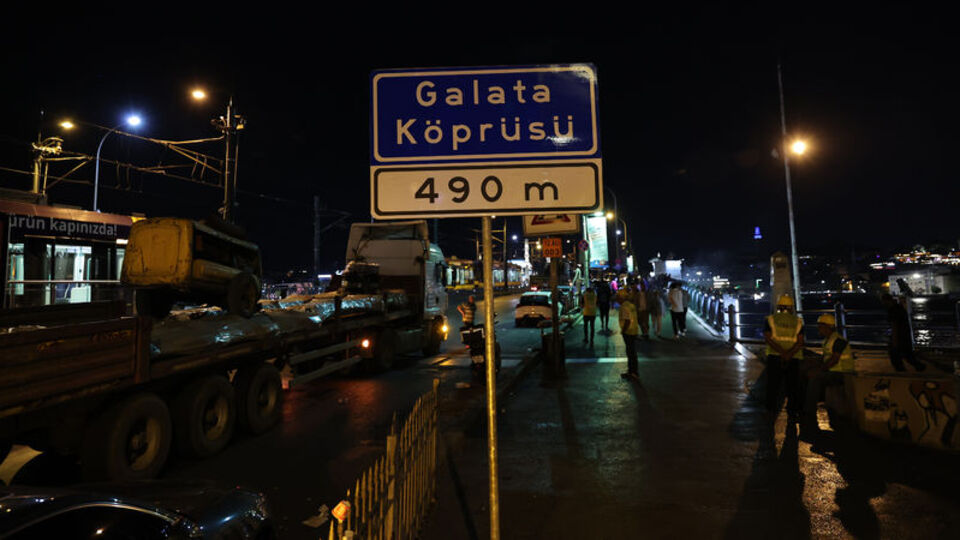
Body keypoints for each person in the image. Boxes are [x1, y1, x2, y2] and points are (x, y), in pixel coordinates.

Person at [801, 314, 854, 441]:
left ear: (828, 327)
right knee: (807, 373)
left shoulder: (838, 340)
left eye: (820, 327)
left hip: (842, 373)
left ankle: (809, 412)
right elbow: (826, 359)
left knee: (815, 379)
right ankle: (806, 406)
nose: (818, 329)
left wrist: (818, 370)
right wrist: (813, 363)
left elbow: (834, 360)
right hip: (833, 372)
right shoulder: (828, 340)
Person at [764, 294, 805, 424]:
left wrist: (781, 352)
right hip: (793, 358)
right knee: (793, 387)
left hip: (775, 357)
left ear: (779, 307)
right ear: (791, 308)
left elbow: (768, 339)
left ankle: (770, 412)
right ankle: (792, 414)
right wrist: (789, 353)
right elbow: (800, 342)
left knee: (773, 386)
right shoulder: (798, 321)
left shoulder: (770, 319)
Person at [880, 293, 926, 372]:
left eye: (883, 301)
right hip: (905, 335)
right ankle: (919, 366)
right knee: (907, 354)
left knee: (895, 355)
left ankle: (902, 371)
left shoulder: (892, 310)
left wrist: (894, 341)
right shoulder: (899, 307)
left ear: (886, 301)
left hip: (900, 336)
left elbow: (895, 326)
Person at [617, 290, 640, 381]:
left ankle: (633, 372)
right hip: (634, 330)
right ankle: (632, 371)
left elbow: (627, 320)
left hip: (628, 332)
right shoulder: (631, 305)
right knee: (632, 353)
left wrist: (623, 331)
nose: (617, 300)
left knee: (630, 353)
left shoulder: (624, 307)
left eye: (618, 298)